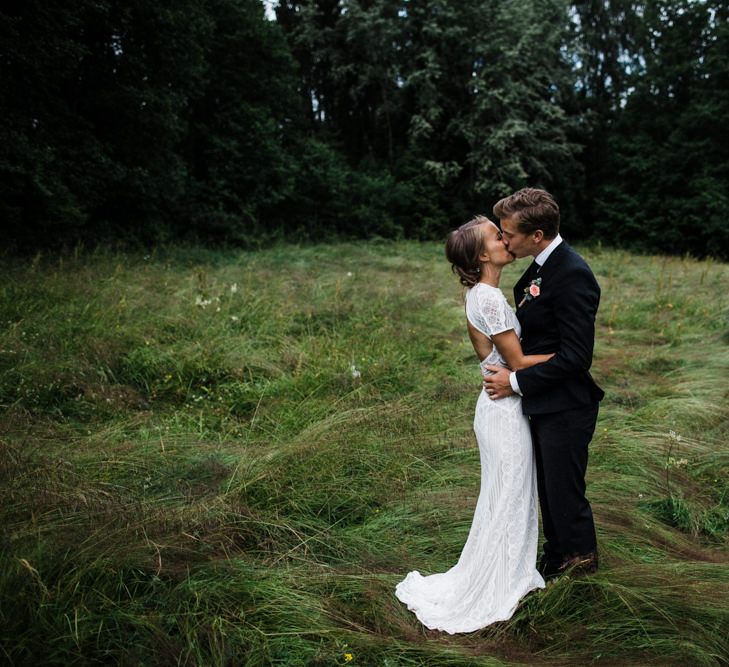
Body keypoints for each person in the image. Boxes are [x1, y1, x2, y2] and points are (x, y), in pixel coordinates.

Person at [395, 216, 553, 634]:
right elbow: (517, 363)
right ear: (483, 255)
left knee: (507, 495)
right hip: (503, 412)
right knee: (508, 497)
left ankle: (508, 574)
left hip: (501, 405)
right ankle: (501, 584)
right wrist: (569, 357)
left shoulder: (487, 295)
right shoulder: (487, 299)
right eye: (496, 237)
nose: (505, 240)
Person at [483, 188, 604, 579]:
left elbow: (575, 356)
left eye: (509, 233)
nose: (504, 240)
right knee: (549, 490)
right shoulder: (540, 266)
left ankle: (580, 567)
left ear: (536, 235)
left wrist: (515, 380)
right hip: (545, 401)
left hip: (567, 404)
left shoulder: (572, 274)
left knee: (565, 491)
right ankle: (557, 558)